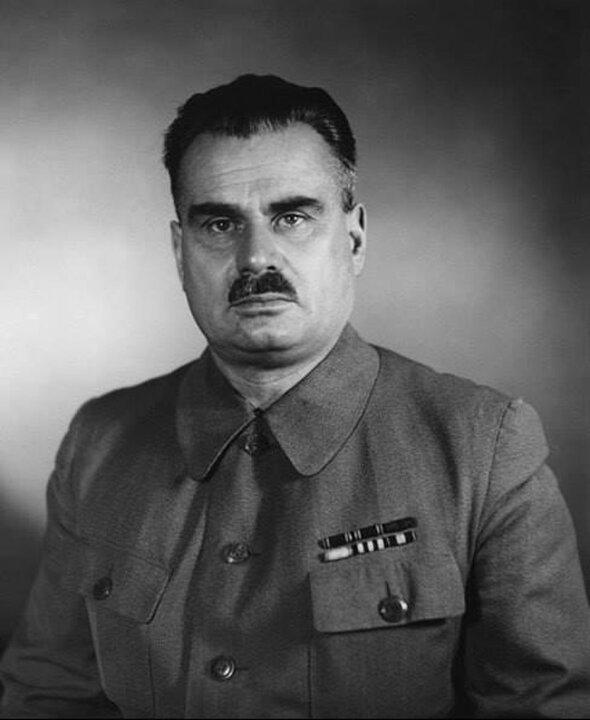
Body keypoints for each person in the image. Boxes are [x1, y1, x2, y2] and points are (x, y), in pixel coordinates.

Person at [1, 74, 589, 719]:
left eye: (293, 217)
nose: (257, 256)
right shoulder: (99, 442)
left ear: (354, 239)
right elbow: (48, 696)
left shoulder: (483, 446)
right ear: (179, 251)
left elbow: (540, 708)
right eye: (219, 223)